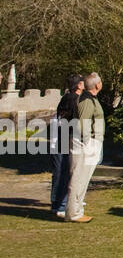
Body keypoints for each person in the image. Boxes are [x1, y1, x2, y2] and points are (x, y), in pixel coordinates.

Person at [65, 72, 105, 223]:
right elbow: (83, 122)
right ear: (97, 85)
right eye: (100, 81)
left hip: (90, 142)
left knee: (83, 178)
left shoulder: (91, 99)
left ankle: (77, 210)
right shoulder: (87, 100)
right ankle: (73, 213)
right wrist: (88, 143)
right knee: (78, 178)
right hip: (84, 144)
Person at [50, 74, 83, 217]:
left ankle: (56, 204)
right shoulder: (74, 100)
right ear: (78, 85)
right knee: (64, 172)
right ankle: (60, 206)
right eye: (82, 82)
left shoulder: (66, 98)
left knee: (60, 171)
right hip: (65, 139)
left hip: (59, 137)